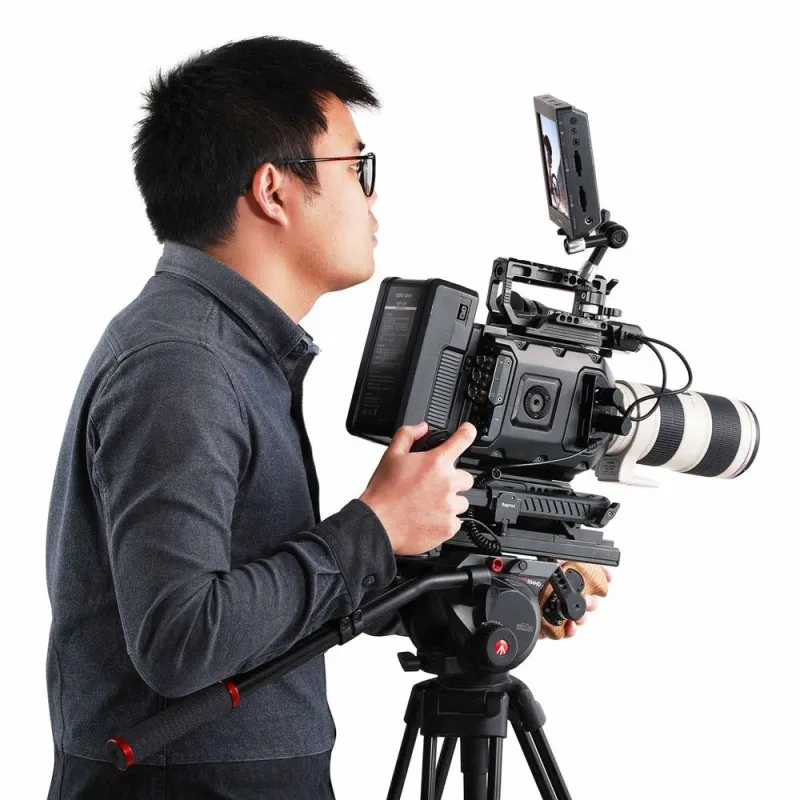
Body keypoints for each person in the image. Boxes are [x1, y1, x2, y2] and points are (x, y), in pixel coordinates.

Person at [44, 35, 611, 799]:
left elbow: (261, 597)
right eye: (356, 167)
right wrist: (373, 527)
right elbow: (181, 640)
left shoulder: (222, 349)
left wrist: (482, 583)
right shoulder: (183, 365)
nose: (371, 199)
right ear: (273, 190)